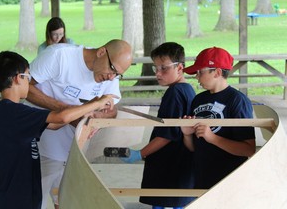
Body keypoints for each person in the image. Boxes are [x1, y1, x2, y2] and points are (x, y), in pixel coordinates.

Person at [0, 51, 116, 209]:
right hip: (13, 196)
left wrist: (85, 110)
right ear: (18, 78)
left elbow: (53, 124)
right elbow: (61, 118)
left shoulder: (13, 112)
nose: (30, 82)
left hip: (19, 190)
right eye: (28, 76)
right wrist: (97, 103)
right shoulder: (14, 112)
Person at [26, 39, 132, 209]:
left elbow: (112, 108)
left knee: (69, 199)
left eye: (118, 74)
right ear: (101, 52)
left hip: (76, 149)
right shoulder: (59, 56)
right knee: (34, 198)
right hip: (43, 144)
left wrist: (94, 118)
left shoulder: (110, 74)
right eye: (112, 70)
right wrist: (67, 111)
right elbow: (24, 87)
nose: (111, 77)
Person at [121, 42, 196, 209]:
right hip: (180, 161)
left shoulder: (175, 93)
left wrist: (140, 154)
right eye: (156, 68)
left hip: (169, 162)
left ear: (180, 68)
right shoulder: (187, 89)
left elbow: (167, 134)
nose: (158, 73)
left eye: (164, 68)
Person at [181, 47, 256, 190]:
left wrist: (213, 137)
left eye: (200, 72)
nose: (196, 77)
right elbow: (193, 148)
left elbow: (248, 149)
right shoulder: (198, 99)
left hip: (229, 183)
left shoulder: (237, 101)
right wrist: (187, 135)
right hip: (202, 179)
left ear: (217, 72)